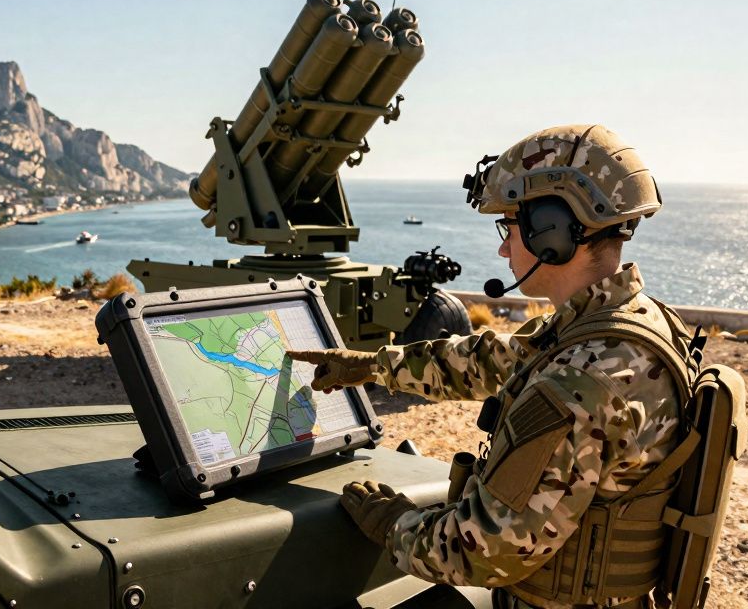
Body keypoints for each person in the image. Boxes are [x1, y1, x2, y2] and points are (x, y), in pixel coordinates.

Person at [288, 124, 700, 609]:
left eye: (509, 227)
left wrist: (393, 523)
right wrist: (371, 366)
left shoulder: (581, 383)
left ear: (551, 230)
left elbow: (483, 553)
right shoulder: (626, 324)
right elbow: (491, 360)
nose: (503, 248)